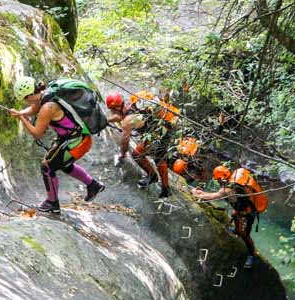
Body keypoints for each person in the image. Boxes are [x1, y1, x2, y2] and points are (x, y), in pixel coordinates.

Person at [10, 76, 104, 213]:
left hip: (76, 142)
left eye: (25, 98)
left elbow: (37, 133)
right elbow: (33, 109)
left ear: (30, 95)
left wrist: (21, 118)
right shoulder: (45, 95)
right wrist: (21, 113)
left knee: (47, 166)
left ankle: (52, 203)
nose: (25, 102)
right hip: (75, 137)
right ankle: (93, 185)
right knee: (63, 165)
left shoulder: (47, 107)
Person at [109, 90, 177, 198]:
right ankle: (165, 188)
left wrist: (122, 154)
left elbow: (125, 141)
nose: (111, 112)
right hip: (167, 123)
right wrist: (107, 120)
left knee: (138, 154)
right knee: (158, 158)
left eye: (111, 110)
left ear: (116, 108)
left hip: (163, 129)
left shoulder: (129, 118)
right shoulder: (130, 105)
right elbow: (122, 117)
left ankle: (154, 177)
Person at [191, 164, 261, 269]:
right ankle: (237, 230)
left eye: (218, 180)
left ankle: (251, 255)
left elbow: (213, 197)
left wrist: (195, 193)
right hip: (243, 209)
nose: (218, 182)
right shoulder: (234, 182)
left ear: (222, 178)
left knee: (245, 235)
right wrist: (201, 193)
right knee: (234, 214)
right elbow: (216, 194)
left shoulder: (228, 189)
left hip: (248, 212)